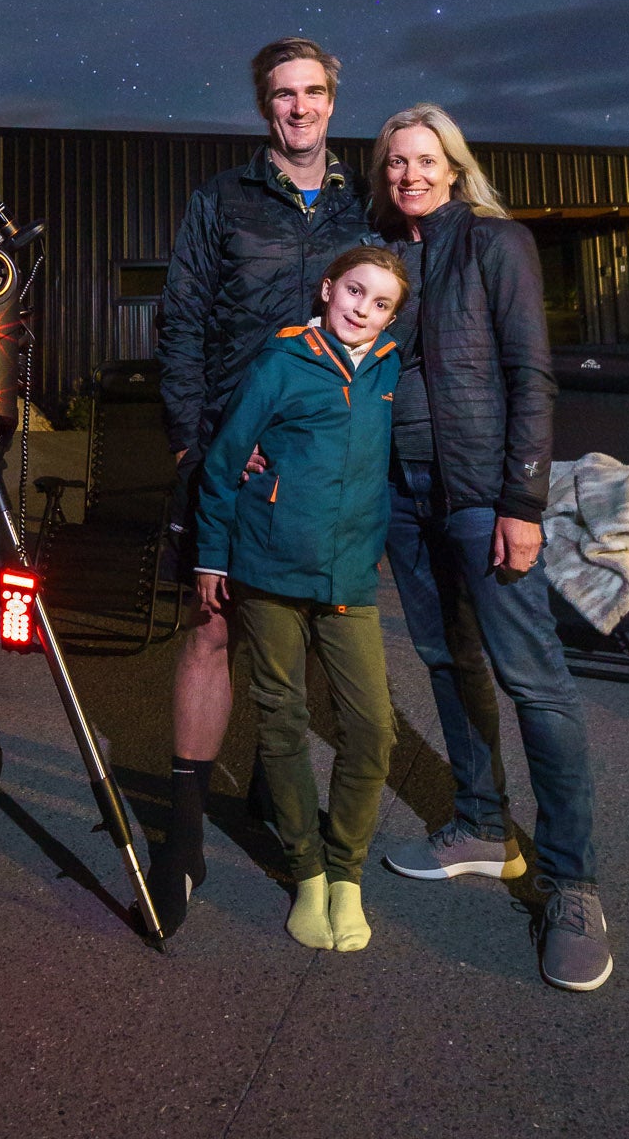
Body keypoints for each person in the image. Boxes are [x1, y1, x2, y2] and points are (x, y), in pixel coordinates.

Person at [373, 103, 613, 993]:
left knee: (535, 681)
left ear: (454, 165)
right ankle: (480, 825)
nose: (410, 173)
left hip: (483, 498)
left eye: (425, 159)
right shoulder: (383, 253)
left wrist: (522, 500)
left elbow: (530, 374)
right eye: (396, 162)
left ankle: (572, 882)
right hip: (402, 493)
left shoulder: (495, 241)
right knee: (445, 659)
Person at [154, 37, 371, 933]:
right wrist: (199, 447)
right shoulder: (220, 201)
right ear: (263, 107)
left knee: (318, 635)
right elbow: (182, 326)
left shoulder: (367, 205)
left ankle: (293, 815)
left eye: (313, 92)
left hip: (327, 465)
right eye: (282, 95)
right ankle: (184, 832)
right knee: (211, 630)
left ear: (333, 99)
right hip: (232, 458)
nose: (299, 108)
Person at [194, 246, 407, 951]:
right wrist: (212, 559)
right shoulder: (282, 361)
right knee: (282, 719)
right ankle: (307, 873)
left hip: (348, 578)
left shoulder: (390, 369)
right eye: (354, 291)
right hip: (269, 570)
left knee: (372, 728)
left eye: (380, 303)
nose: (362, 310)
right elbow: (225, 463)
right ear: (326, 289)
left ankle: (346, 872)